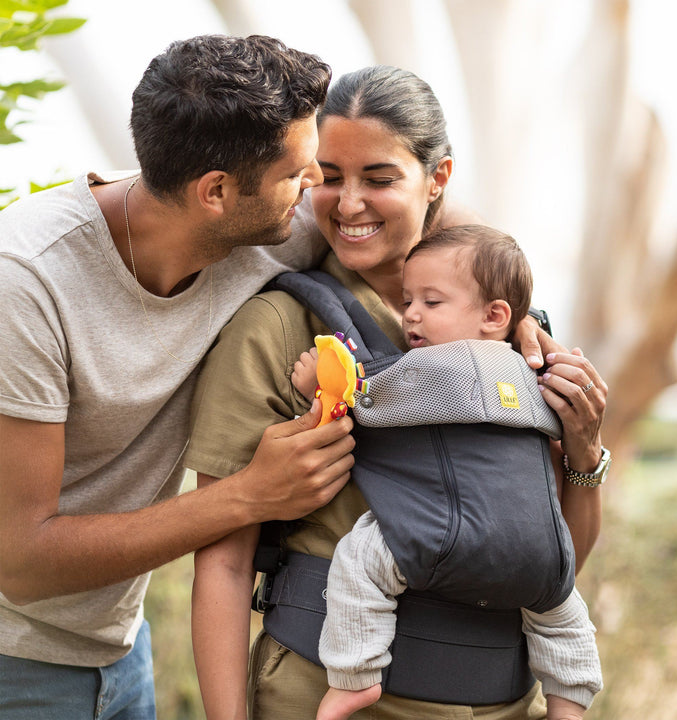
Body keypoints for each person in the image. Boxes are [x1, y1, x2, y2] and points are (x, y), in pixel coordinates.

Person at [187, 65, 608, 720]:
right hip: (324, 695)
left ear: (437, 178)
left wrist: (584, 457)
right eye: (329, 176)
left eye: (379, 178)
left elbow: (550, 559)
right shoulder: (279, 328)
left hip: (501, 703)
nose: (348, 202)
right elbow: (222, 564)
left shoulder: (513, 335)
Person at [0, 34, 358, 720]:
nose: (317, 191)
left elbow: (423, 207)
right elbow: (23, 560)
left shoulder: (263, 227)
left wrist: (520, 316)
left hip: (123, 650)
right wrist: (250, 496)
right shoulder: (27, 281)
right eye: (299, 174)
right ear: (216, 192)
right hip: (16, 666)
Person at [290, 225, 602, 720]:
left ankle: (354, 677)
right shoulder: (533, 373)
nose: (410, 313)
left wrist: (322, 383)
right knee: (563, 617)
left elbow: (371, 405)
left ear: (495, 315)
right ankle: (568, 701)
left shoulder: (443, 365)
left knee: (360, 556)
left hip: (446, 537)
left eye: (431, 303)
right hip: (541, 550)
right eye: (408, 299)